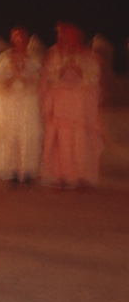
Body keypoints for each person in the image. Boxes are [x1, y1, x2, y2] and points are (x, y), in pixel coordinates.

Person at [40, 22, 102, 188]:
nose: (62, 38)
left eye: (66, 34)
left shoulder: (88, 55)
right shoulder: (54, 54)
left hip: (80, 105)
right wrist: (61, 71)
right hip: (60, 103)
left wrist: (77, 70)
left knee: (81, 141)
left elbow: (93, 78)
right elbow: (49, 79)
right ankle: (63, 176)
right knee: (62, 142)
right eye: (60, 34)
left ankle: (83, 176)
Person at [0, 27, 43, 183]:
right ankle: (12, 171)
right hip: (10, 103)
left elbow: (37, 81)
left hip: (28, 102)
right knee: (11, 135)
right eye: (15, 37)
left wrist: (24, 76)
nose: (18, 40)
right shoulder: (5, 58)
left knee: (28, 135)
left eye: (21, 37)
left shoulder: (33, 58)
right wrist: (12, 75)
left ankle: (27, 171)